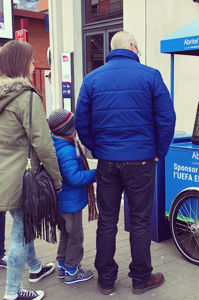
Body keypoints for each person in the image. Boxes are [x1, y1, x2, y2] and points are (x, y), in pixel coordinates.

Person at [75, 31, 176, 295]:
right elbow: (167, 119)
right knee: (140, 221)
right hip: (142, 161)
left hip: (108, 162)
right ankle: (141, 279)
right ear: (132, 47)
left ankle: (106, 281)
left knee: (107, 221)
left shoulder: (91, 79)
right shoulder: (150, 75)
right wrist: (159, 152)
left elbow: (81, 124)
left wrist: (98, 150)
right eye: (138, 49)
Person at [0, 41, 62, 300]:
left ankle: (36, 268)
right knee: (21, 232)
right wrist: (57, 179)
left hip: (4, 174)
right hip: (22, 179)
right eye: (32, 60)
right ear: (21, 64)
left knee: (22, 225)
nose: (34, 65)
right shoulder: (27, 97)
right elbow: (43, 142)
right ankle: (12, 293)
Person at [48, 109, 96, 285]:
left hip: (61, 202)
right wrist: (97, 173)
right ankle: (72, 271)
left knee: (65, 234)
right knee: (76, 236)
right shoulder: (67, 149)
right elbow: (74, 178)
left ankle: (62, 266)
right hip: (71, 203)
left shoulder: (54, 143)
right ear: (69, 129)